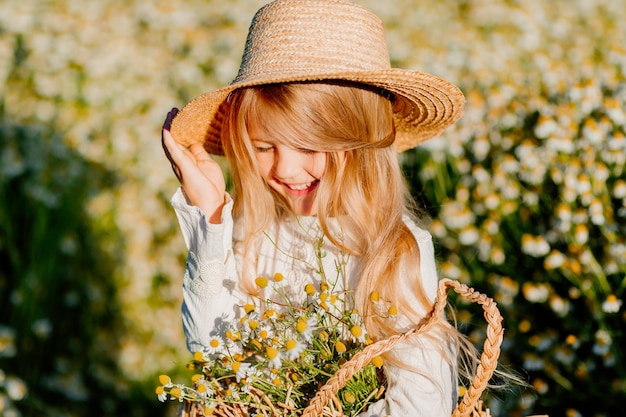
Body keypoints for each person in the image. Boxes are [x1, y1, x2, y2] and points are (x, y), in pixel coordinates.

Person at [161, 0, 473, 415]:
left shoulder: (395, 251)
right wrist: (212, 212)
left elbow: (423, 406)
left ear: (360, 143)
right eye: (263, 146)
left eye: (310, 145)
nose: (286, 168)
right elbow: (211, 355)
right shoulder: (249, 234)